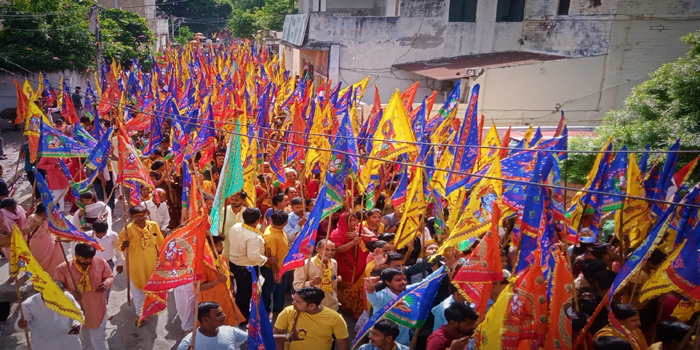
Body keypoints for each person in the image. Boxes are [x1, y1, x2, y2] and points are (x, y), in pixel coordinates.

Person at [53, 243, 113, 350]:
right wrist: (70, 293)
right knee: (83, 341)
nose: (87, 261)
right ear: (76, 255)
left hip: (98, 308)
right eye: (84, 258)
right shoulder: (63, 268)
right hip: (76, 310)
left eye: (90, 258)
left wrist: (105, 284)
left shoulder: (101, 263)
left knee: (99, 339)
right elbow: (56, 288)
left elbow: (109, 276)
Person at [117, 205, 165, 319]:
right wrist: (123, 245)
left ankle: (153, 307)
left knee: (153, 287)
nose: (141, 218)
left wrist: (163, 259)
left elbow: (160, 243)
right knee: (137, 289)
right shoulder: (127, 229)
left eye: (143, 215)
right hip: (136, 265)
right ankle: (140, 313)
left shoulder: (153, 225)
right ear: (132, 216)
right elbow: (119, 245)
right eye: (137, 216)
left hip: (152, 263)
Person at [274, 287, 350, 350]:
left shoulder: (336, 318)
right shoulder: (288, 312)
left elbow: (343, 345)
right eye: (293, 299)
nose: (293, 303)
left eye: (297, 302)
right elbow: (276, 334)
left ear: (311, 306)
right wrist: (288, 337)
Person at [15, 282, 83, 350]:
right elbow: (18, 327)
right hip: (43, 345)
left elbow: (78, 314)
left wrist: (77, 324)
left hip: (69, 343)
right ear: (42, 292)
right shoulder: (28, 304)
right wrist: (21, 325)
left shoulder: (68, 297)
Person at [228, 207, 267, 323]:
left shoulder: (236, 227)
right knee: (244, 293)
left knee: (240, 290)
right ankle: (243, 317)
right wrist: (266, 259)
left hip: (234, 262)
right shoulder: (253, 237)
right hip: (246, 267)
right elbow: (254, 257)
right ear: (257, 220)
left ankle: (239, 312)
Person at [330, 212, 371, 320]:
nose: (354, 223)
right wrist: (353, 242)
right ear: (344, 222)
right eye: (350, 221)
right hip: (347, 267)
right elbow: (337, 249)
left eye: (355, 220)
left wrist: (360, 236)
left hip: (362, 265)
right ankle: (347, 310)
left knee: (361, 289)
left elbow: (373, 237)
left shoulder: (360, 228)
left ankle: (359, 311)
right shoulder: (336, 233)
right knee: (347, 290)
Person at [199, 236, 246, 327]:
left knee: (231, 323)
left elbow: (227, 274)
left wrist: (231, 286)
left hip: (226, 298)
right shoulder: (202, 265)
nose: (223, 247)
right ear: (212, 248)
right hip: (212, 304)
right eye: (220, 245)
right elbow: (199, 287)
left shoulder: (221, 257)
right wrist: (217, 282)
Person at [365, 269, 411, 345]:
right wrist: (370, 287)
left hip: (403, 343)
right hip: (381, 345)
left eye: (404, 279)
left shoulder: (409, 294)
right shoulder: (382, 296)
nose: (403, 282)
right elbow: (373, 299)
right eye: (398, 280)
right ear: (387, 282)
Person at [176, 302, 247, 350]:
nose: (224, 316)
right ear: (205, 319)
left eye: (222, 312)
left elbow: (253, 338)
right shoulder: (189, 343)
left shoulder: (230, 331)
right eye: (219, 314)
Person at [293, 239, 339, 310]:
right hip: (312, 307)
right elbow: (296, 286)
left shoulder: (334, 263)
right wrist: (311, 283)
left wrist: (335, 279)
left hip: (331, 305)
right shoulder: (306, 264)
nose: (330, 253)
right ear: (317, 249)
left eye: (333, 250)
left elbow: (333, 282)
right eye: (326, 249)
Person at [85, 220, 123, 303]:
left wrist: (120, 263)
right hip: (91, 264)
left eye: (103, 233)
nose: (101, 236)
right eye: (98, 234)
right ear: (93, 230)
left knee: (106, 286)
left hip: (108, 263)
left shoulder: (113, 235)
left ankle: (104, 308)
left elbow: (117, 249)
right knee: (92, 285)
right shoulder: (87, 236)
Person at [21, 203, 63, 277]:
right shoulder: (33, 218)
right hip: (37, 243)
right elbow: (24, 231)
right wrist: (35, 224)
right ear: (45, 211)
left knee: (52, 259)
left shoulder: (48, 217)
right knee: (39, 262)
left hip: (50, 240)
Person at [261, 210, 288, 315]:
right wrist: (276, 273)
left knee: (280, 291)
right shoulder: (271, 236)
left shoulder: (277, 229)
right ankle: (265, 311)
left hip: (282, 268)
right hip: (272, 270)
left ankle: (278, 311)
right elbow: (271, 258)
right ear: (285, 222)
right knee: (268, 290)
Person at [221, 190, 247, 259]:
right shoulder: (223, 211)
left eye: (236, 200)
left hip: (240, 252)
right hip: (225, 249)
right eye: (232, 199)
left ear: (243, 200)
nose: (233, 202)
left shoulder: (247, 213)